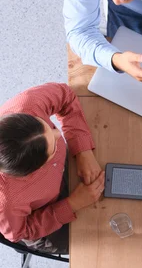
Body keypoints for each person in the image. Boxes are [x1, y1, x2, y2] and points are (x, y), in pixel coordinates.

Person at [0, 82, 105, 254]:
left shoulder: (26, 104)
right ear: (36, 169)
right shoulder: (6, 202)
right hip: (46, 220)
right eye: (54, 146)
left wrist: (82, 150)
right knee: (98, 242)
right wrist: (72, 205)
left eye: (48, 126)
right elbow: (21, 232)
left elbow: (66, 95)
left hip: (64, 174)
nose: (59, 134)